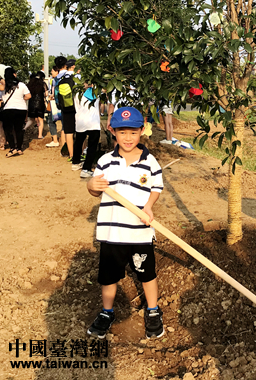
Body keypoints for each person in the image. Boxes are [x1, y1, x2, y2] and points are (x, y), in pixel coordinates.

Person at [86, 107, 164, 339]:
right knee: (108, 277)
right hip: (112, 233)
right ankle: (107, 312)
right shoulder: (105, 161)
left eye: (133, 132)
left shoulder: (149, 161)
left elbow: (156, 187)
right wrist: (91, 186)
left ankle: (152, 310)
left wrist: (148, 206)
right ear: (113, 132)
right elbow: (94, 188)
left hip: (139, 232)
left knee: (147, 274)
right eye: (122, 132)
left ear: (142, 131)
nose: (127, 138)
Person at [72, 83, 101, 178]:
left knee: (78, 142)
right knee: (92, 146)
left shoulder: (77, 94)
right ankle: (86, 168)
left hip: (81, 122)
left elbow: (76, 108)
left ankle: (75, 162)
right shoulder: (97, 93)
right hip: (93, 123)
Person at [2, 67, 31, 157]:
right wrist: (21, 99)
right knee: (19, 129)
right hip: (21, 109)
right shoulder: (21, 84)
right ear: (14, 74)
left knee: (8, 130)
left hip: (8, 110)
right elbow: (28, 96)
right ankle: (19, 149)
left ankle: (12, 148)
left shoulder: (4, 85)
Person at [54, 56, 77, 160]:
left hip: (63, 105)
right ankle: (80, 151)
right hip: (75, 106)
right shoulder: (74, 77)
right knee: (79, 129)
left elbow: (55, 92)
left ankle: (68, 152)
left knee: (66, 129)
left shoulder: (57, 78)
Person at [24, 71, 47, 139]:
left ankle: (24, 129)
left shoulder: (29, 84)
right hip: (40, 104)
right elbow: (46, 94)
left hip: (31, 104)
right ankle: (40, 135)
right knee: (41, 120)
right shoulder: (43, 84)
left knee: (31, 119)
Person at [46, 66, 61, 148]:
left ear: (57, 72)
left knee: (51, 121)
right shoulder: (57, 80)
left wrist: (52, 97)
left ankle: (55, 141)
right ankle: (64, 141)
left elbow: (56, 92)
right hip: (62, 103)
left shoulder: (55, 81)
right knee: (63, 122)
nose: (51, 73)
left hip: (56, 103)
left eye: (52, 71)